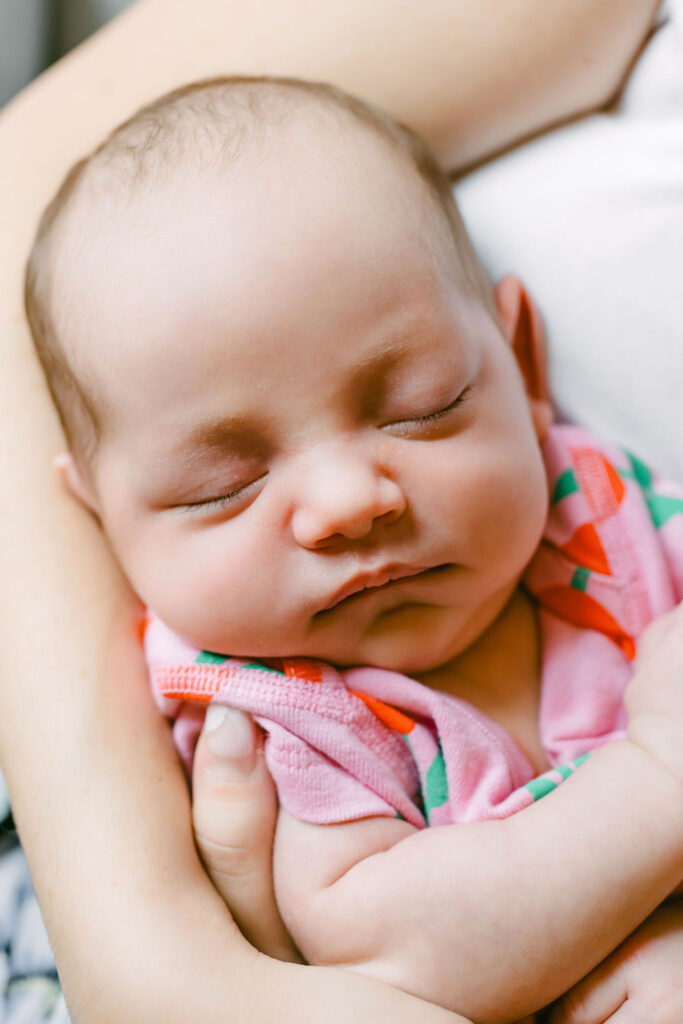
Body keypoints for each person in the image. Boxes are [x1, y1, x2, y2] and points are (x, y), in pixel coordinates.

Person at [0, 2, 668, 1022]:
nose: (350, 504)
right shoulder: (274, 720)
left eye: (422, 407)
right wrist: (657, 779)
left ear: (521, 364)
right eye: (220, 488)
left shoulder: (601, 515)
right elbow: (408, 953)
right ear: (103, 521)